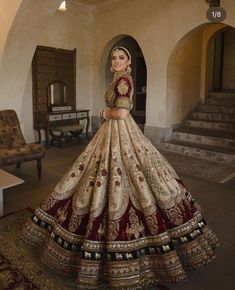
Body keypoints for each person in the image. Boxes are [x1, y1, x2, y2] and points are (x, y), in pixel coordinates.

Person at [20, 46, 220, 290]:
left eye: (121, 58)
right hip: (112, 133)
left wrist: (105, 112)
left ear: (128, 63)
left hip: (120, 131)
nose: (115, 61)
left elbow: (123, 112)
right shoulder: (120, 78)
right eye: (113, 58)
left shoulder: (123, 80)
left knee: (130, 177)